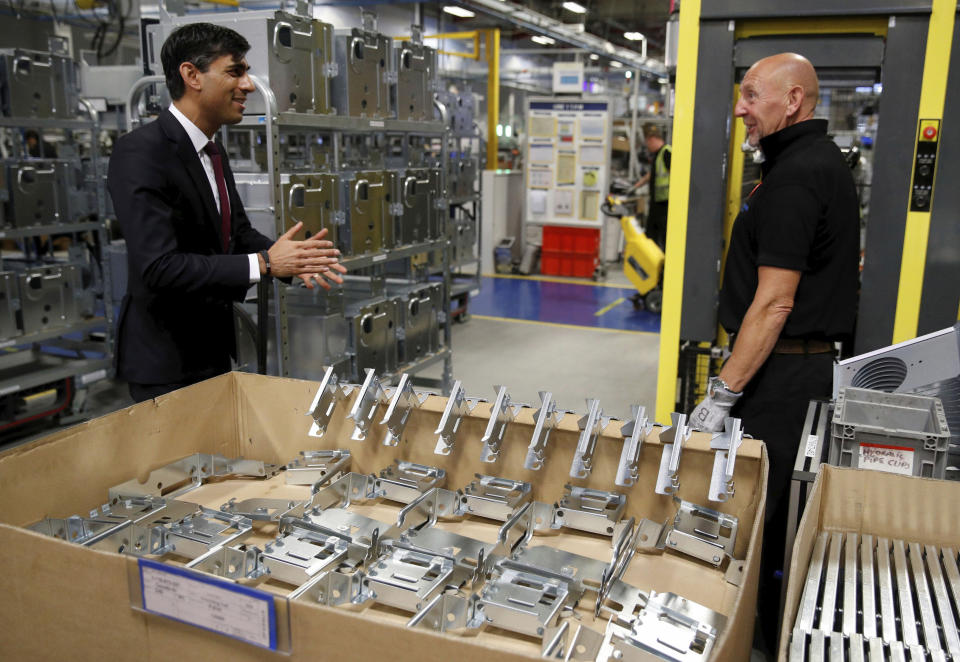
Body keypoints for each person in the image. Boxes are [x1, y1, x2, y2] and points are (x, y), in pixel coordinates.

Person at [689, 53, 859, 650]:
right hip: (795, 370)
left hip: (781, 381)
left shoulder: (795, 177)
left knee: (759, 529)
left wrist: (723, 394)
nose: (741, 108)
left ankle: (755, 645)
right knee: (772, 525)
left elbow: (775, 303)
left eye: (752, 96)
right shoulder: (809, 162)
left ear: (793, 101)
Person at [107, 23, 347, 403]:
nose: (249, 85)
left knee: (216, 461)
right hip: (166, 362)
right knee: (180, 463)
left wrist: (293, 258)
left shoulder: (213, 153)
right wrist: (265, 263)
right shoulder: (141, 152)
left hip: (212, 348)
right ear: (191, 76)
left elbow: (235, 233)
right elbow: (158, 266)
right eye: (235, 72)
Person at [634, 123, 671, 249]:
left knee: (663, 236)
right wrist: (636, 185)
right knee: (651, 234)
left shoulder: (667, 153)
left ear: (652, 139)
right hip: (658, 202)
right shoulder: (658, 154)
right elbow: (652, 174)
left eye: (647, 143)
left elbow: (677, 175)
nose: (647, 147)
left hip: (665, 204)